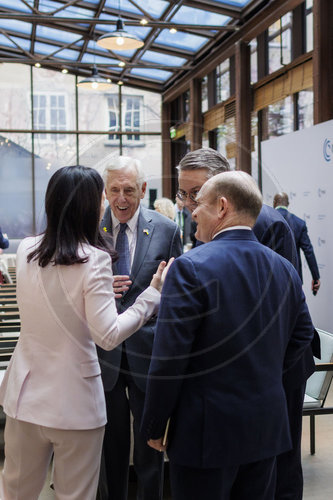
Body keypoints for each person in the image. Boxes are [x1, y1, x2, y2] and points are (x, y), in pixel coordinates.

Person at [141, 171, 315, 500]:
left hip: (204, 433)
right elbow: (302, 335)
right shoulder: (284, 268)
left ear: (222, 207)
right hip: (264, 428)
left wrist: (154, 424)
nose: (192, 211)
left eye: (200, 203)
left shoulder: (190, 268)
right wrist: (263, 373)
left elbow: (169, 359)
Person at [0, 165, 169, 500]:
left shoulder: (26, 250)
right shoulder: (94, 260)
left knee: (15, 492)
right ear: (90, 206)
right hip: (76, 404)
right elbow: (107, 335)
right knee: (75, 494)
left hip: (24, 395)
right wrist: (151, 296)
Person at [98, 156, 182, 500]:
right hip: (105, 358)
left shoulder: (166, 230)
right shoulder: (90, 229)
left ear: (143, 190)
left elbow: (176, 295)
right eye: (114, 189)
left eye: (129, 190)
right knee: (110, 445)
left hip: (149, 354)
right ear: (105, 191)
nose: (121, 198)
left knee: (149, 445)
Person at [273, 192, 320, 294]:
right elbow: (309, 251)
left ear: (274, 203)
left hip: (271, 278)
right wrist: (316, 277)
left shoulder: (264, 220)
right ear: (288, 204)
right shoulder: (299, 223)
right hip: (294, 277)